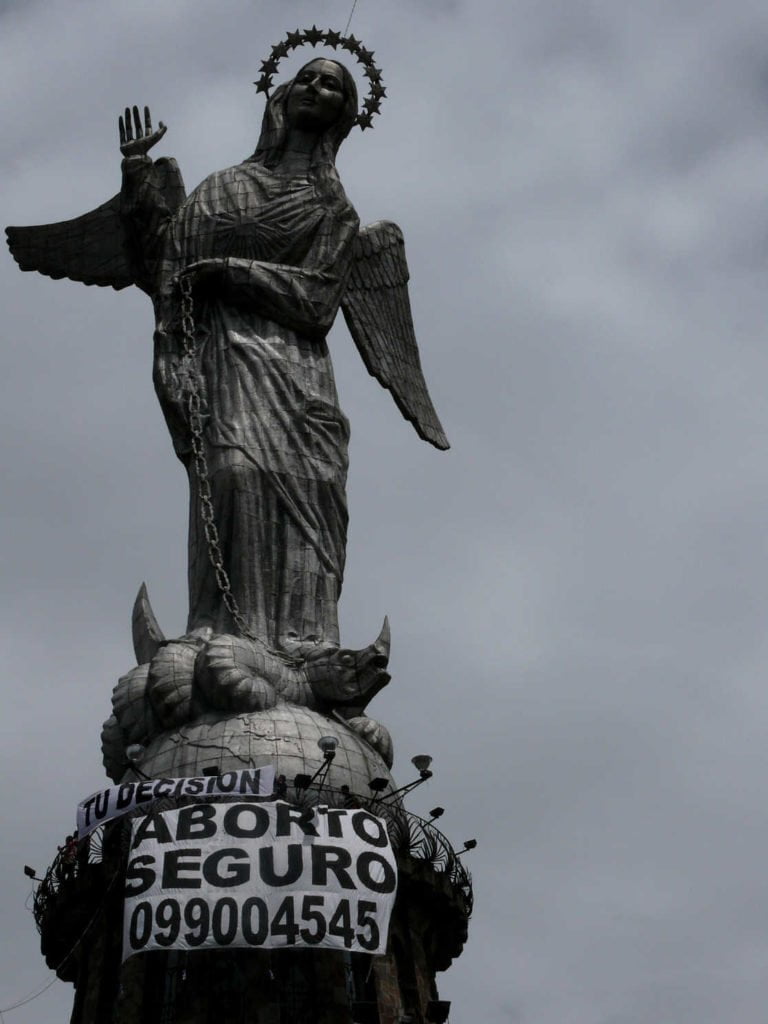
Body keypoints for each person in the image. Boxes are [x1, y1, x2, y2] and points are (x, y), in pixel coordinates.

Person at [119, 59, 360, 654]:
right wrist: (139, 176)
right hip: (226, 360)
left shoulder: (335, 210)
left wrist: (233, 271)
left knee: (315, 488)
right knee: (233, 475)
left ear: (344, 112)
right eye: (307, 77)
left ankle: (307, 641)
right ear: (283, 93)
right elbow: (167, 264)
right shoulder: (224, 187)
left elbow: (318, 301)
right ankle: (221, 627)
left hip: (297, 371)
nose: (315, 87)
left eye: (331, 84)